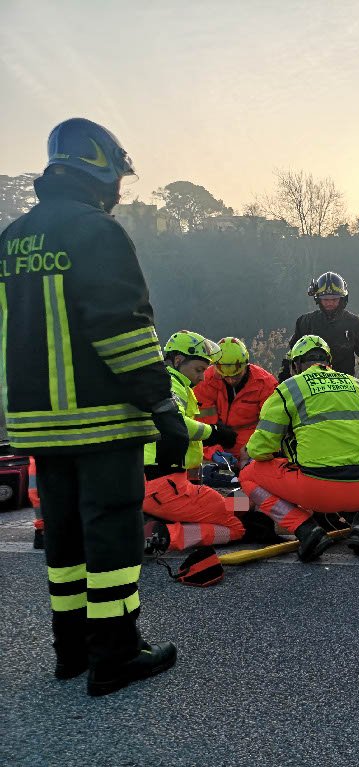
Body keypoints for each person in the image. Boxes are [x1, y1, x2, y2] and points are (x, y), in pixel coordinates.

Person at [0, 117, 187, 696]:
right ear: (99, 166)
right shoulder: (97, 233)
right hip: (102, 418)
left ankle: (71, 650)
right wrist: (163, 405)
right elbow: (122, 330)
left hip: (36, 422)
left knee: (64, 537)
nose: (118, 193)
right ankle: (116, 655)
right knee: (111, 536)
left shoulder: (12, 238)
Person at [240, 335, 359, 562]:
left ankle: (306, 530)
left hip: (315, 492)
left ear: (296, 364)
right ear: (329, 361)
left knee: (248, 474)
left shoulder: (289, 388)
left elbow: (258, 451)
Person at [141, 331, 249, 554]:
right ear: (178, 361)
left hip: (157, 485)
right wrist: (215, 432)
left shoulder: (166, 384)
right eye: (199, 370)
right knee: (235, 526)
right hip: (167, 486)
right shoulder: (170, 385)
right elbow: (178, 424)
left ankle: (152, 522)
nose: (202, 377)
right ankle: (163, 535)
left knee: (226, 503)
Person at [283, 272, 359, 395]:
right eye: (325, 299)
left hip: (344, 388)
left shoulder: (356, 324)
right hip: (311, 389)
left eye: (334, 299)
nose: (330, 303)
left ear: (342, 298)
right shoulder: (306, 323)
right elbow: (291, 355)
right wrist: (283, 383)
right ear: (318, 299)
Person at [194, 336, 278, 461]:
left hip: (251, 444)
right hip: (215, 441)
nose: (231, 380)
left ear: (246, 365)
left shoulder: (265, 384)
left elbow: (271, 428)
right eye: (225, 376)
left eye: (236, 375)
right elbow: (203, 423)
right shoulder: (205, 381)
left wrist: (252, 451)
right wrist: (213, 451)